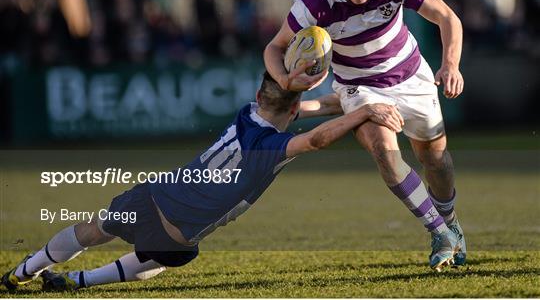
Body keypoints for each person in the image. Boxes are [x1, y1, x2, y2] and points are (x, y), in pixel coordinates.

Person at [2, 68, 404, 292]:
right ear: (294, 109)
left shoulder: (250, 113)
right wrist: (365, 112)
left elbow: (314, 107)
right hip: (181, 233)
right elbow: (317, 135)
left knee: (94, 230)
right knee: (161, 256)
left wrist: (360, 102)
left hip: (155, 200)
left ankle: (27, 270)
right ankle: (76, 281)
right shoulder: (270, 148)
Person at [264, 0, 466, 271]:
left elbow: (448, 17)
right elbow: (274, 46)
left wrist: (450, 65)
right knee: (385, 152)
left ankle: (450, 223)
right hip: (360, 87)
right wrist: (284, 79)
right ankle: (439, 232)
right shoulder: (315, 3)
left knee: (436, 161)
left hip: (411, 74)